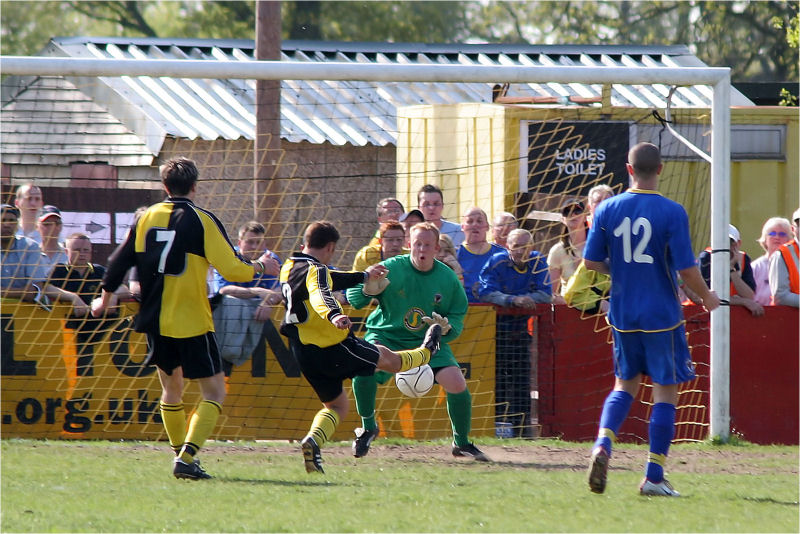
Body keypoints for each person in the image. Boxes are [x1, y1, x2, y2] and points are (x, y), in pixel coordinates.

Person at [92, 157, 276, 480]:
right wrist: (262, 267)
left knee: (171, 390)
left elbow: (119, 261)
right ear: (194, 186)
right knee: (215, 392)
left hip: (156, 320)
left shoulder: (146, 217)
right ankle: (187, 457)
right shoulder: (202, 220)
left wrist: (103, 300)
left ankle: (182, 457)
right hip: (192, 319)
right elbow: (233, 268)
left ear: (164, 187)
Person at [583, 142, 720, 497]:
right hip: (662, 316)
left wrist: (623, 270)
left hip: (624, 314)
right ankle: (654, 476)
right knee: (665, 392)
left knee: (624, 385)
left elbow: (591, 263)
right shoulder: (672, 211)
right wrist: (706, 296)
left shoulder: (607, 209)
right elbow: (687, 269)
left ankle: (603, 443)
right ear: (660, 169)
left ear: (628, 170)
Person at [279, 220, 443, 473]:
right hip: (333, 347)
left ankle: (313, 441)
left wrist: (365, 275)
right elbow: (321, 293)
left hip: (302, 351)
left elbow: (330, 279)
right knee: (389, 360)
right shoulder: (317, 271)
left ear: (305, 244)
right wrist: (334, 314)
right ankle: (426, 352)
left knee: (336, 406)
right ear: (331, 247)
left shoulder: (289, 266)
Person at [346, 222, 488, 462]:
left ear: (436, 249)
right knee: (364, 367)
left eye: (428, 245)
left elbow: (458, 314)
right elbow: (354, 299)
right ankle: (368, 428)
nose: (421, 249)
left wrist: (447, 329)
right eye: (417, 244)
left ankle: (461, 443)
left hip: (427, 341)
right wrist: (367, 288)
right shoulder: (391, 268)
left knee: (456, 382)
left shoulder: (447, 278)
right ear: (409, 245)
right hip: (386, 335)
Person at [478, 228, 551, 435]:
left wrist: (527, 299)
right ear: (507, 246)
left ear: (532, 247)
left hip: (520, 333)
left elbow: (546, 295)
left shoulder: (538, 262)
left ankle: (523, 428)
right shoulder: (496, 261)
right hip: (496, 332)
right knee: (498, 380)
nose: (520, 251)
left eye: (525, 246)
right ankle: (500, 426)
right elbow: (485, 292)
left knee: (522, 381)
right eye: (516, 246)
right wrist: (513, 300)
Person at [47, 233, 130, 375]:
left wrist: (113, 295)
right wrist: (73, 298)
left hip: (100, 335)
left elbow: (123, 289)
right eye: (77, 250)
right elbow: (45, 288)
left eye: (86, 250)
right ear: (66, 251)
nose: (82, 254)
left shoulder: (99, 271)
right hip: (66, 335)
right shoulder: (57, 271)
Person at [211, 221, 282, 372]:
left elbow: (282, 288)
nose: (255, 247)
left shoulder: (270, 260)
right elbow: (223, 290)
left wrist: (269, 301)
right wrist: (256, 292)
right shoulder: (229, 258)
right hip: (224, 323)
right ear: (239, 243)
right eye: (250, 242)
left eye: (259, 242)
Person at [692, 224, 762, 316]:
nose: (726, 246)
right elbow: (706, 297)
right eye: (721, 241)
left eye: (730, 242)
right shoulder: (706, 258)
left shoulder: (743, 259)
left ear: (738, 244)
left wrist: (732, 269)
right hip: (704, 314)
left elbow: (749, 296)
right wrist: (742, 301)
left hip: (734, 315)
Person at [0, 204, 50, 302]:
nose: (7, 225)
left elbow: (34, 291)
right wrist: (21, 292)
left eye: (11, 221)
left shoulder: (30, 247)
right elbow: (27, 292)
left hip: (24, 313)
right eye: (2, 220)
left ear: (17, 225)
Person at [457, 206, 504, 302]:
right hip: (465, 312)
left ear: (487, 226)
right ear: (462, 227)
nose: (475, 225)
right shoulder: (455, 255)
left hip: (497, 312)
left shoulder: (501, 254)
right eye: (470, 221)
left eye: (479, 221)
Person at [548, 198, 588, 305]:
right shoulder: (557, 251)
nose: (573, 215)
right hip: (568, 308)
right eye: (567, 212)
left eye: (577, 211)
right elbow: (551, 293)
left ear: (585, 217)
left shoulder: (598, 247)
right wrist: (569, 304)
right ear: (563, 219)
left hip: (598, 308)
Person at [751, 217, 793, 306]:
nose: (777, 237)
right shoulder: (755, 267)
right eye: (772, 233)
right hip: (759, 315)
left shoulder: (795, 265)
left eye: (782, 234)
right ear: (765, 239)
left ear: (789, 240)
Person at [769, 208, 800, 307]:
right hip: (789, 319)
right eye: (799, 225)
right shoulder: (782, 254)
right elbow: (780, 296)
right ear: (793, 229)